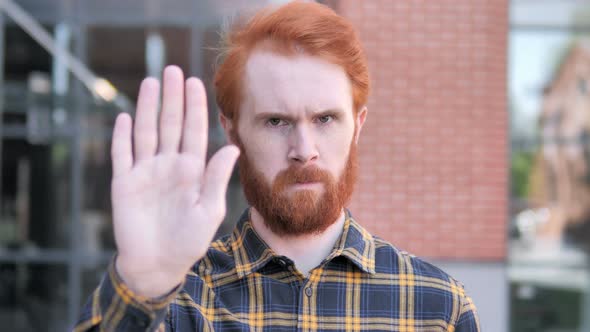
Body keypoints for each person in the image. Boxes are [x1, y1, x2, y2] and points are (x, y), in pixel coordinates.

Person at [75, 2, 480, 331]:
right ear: (232, 131)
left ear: (357, 126)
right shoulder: (177, 301)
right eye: (276, 121)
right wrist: (142, 286)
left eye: (325, 119)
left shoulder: (437, 308)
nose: (304, 151)